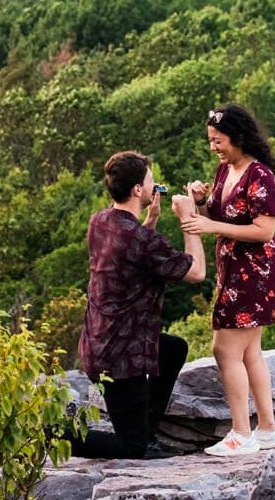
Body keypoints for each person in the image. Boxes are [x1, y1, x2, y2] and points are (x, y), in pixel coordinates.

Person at [180, 104, 275, 457]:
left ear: (238, 137)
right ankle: (267, 429)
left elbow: (265, 231)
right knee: (249, 352)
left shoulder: (260, 175)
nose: (213, 147)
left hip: (254, 276)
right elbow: (219, 217)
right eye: (210, 141)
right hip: (233, 273)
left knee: (224, 350)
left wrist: (211, 225)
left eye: (218, 140)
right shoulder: (225, 171)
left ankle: (240, 433)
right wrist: (203, 204)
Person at [69, 150, 206, 459]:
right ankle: (55, 434)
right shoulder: (143, 241)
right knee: (131, 448)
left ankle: (147, 430)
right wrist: (189, 219)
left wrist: (151, 221)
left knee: (172, 349)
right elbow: (197, 272)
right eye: (150, 179)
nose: (154, 183)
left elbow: (130, 253)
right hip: (121, 360)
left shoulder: (101, 221)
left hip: (99, 344)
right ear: (137, 190)